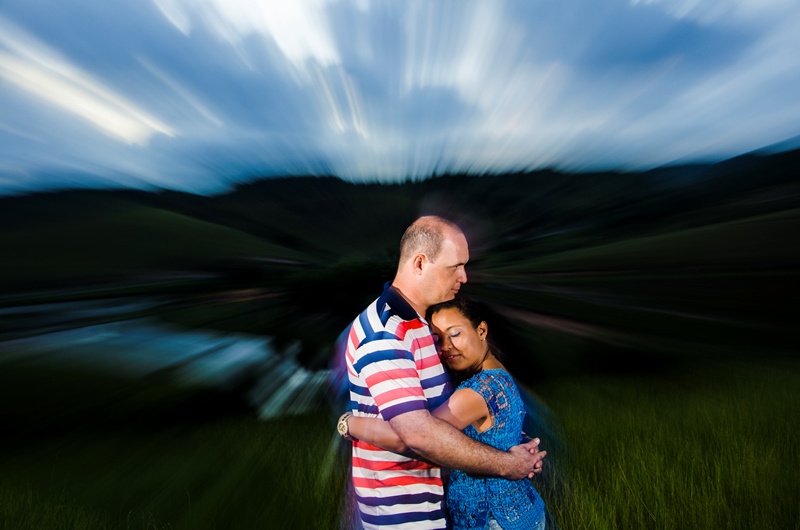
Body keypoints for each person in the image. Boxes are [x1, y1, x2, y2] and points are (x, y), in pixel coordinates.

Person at [335, 216, 545, 529]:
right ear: (420, 263)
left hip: (434, 506)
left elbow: (441, 420)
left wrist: (505, 438)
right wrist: (507, 464)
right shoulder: (386, 333)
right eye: (455, 266)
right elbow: (418, 436)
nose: (464, 276)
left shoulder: (422, 327)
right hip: (403, 515)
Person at [346, 297, 547, 530]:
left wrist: (348, 423)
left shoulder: (476, 391)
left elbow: (409, 438)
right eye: (437, 340)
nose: (445, 347)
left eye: (454, 334)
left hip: (494, 520)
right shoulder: (498, 373)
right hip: (519, 511)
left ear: (481, 330)